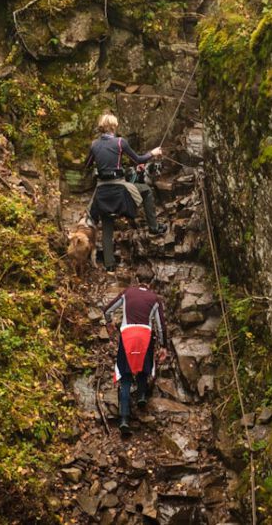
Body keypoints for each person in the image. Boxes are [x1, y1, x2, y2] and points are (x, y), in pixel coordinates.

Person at [86, 113, 168, 272]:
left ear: (102, 127)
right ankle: (154, 227)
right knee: (146, 191)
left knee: (106, 222)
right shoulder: (120, 142)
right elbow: (139, 159)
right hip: (119, 188)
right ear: (114, 127)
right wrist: (153, 153)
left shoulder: (94, 144)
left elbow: (88, 164)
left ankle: (109, 265)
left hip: (102, 191)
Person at [103, 282, 169, 436]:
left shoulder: (127, 292)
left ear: (138, 280)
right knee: (143, 368)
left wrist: (109, 323)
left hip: (128, 335)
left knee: (125, 377)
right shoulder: (155, 298)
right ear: (150, 284)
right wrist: (163, 345)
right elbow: (161, 325)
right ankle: (141, 395)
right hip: (145, 335)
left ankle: (124, 419)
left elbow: (107, 309)